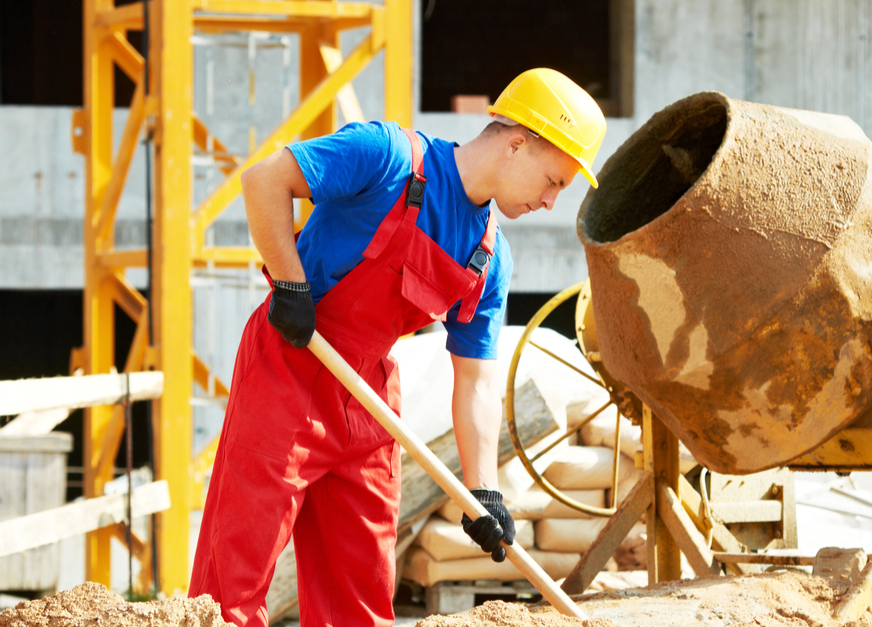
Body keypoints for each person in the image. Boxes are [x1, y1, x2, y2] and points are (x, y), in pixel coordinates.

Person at [189, 68, 607, 627]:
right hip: (291, 361)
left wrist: (484, 492)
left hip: (367, 397)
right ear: (516, 144)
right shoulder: (384, 156)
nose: (552, 201)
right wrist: (290, 284)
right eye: (554, 181)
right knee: (233, 580)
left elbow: (476, 381)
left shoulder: (490, 257)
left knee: (359, 597)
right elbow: (264, 180)